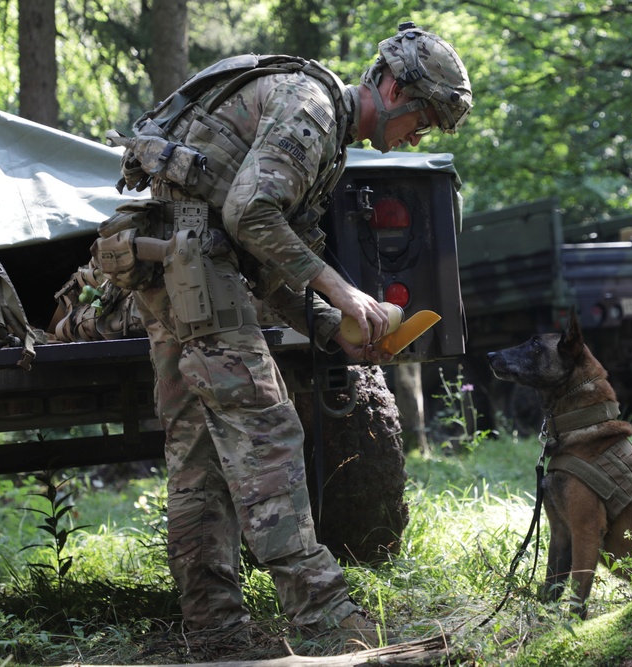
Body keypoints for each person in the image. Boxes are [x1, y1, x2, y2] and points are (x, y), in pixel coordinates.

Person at [99, 22, 472, 643]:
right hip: (192, 264)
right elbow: (250, 214)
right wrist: (343, 291)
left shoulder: (320, 125)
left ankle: (214, 628)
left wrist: (330, 327)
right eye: (422, 116)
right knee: (267, 430)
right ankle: (324, 617)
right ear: (389, 85)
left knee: (198, 454)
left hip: (172, 263)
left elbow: (261, 251)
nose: (420, 131)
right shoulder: (314, 109)